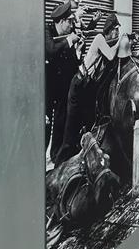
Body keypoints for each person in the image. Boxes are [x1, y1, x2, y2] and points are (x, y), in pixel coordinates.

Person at [56, 13, 133, 165]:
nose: (117, 33)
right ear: (110, 30)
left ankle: (81, 158)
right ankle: (60, 164)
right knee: (70, 130)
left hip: (85, 87)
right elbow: (111, 56)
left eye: (118, 31)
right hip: (78, 83)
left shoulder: (105, 42)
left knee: (87, 123)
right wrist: (120, 41)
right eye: (116, 30)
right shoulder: (99, 38)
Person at [45, 0, 81, 164]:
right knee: (45, 127)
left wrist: (78, 51)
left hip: (62, 88)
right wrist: (68, 42)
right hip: (46, 89)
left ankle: (57, 158)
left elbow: (73, 63)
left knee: (61, 124)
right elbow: (51, 51)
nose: (72, 24)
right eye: (70, 21)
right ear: (60, 21)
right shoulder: (47, 31)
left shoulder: (69, 34)